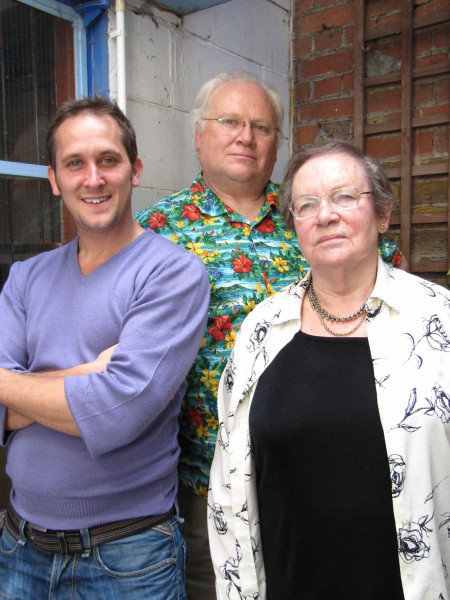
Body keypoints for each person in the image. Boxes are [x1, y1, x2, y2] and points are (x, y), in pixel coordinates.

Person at [135, 72, 404, 599]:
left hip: (346, 473)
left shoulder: (310, 209)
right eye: (230, 121)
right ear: (199, 133)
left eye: (261, 126)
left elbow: (394, 292)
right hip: (214, 485)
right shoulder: (154, 232)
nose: (246, 136)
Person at [208, 140, 449, 600]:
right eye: (307, 204)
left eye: (344, 196)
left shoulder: (439, 322)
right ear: (295, 225)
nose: (325, 215)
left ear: (382, 214)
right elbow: (226, 481)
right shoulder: (263, 329)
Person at [0, 96, 210, 600]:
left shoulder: (173, 273)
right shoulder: (26, 277)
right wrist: (86, 376)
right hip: (18, 549)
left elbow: (119, 412)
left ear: (134, 171)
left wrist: (19, 387)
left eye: (108, 160)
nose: (92, 178)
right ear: (54, 179)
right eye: (75, 163)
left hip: (126, 559)